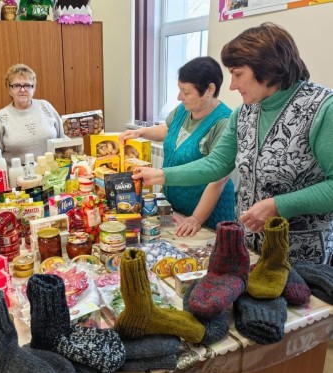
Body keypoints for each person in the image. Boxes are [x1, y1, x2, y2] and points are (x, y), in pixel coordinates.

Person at [133, 23, 333, 265]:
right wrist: (160, 175)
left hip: (301, 254)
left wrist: (278, 205)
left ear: (268, 68)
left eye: (238, 74)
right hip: (250, 246)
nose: (232, 85)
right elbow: (216, 164)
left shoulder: (323, 109)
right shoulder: (245, 113)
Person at [120, 57, 235, 236]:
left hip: (206, 215)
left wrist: (197, 218)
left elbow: (218, 179)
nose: (179, 97)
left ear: (209, 90)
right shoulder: (185, 109)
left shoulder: (224, 122)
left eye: (186, 92)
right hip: (178, 207)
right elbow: (168, 129)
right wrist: (140, 133)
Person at [0, 63, 65, 165]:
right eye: (16, 86)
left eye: (27, 85)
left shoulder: (46, 107)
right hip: (16, 177)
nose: (22, 90)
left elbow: (63, 141)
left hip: (52, 175)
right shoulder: (2, 116)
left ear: (34, 89)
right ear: (9, 90)